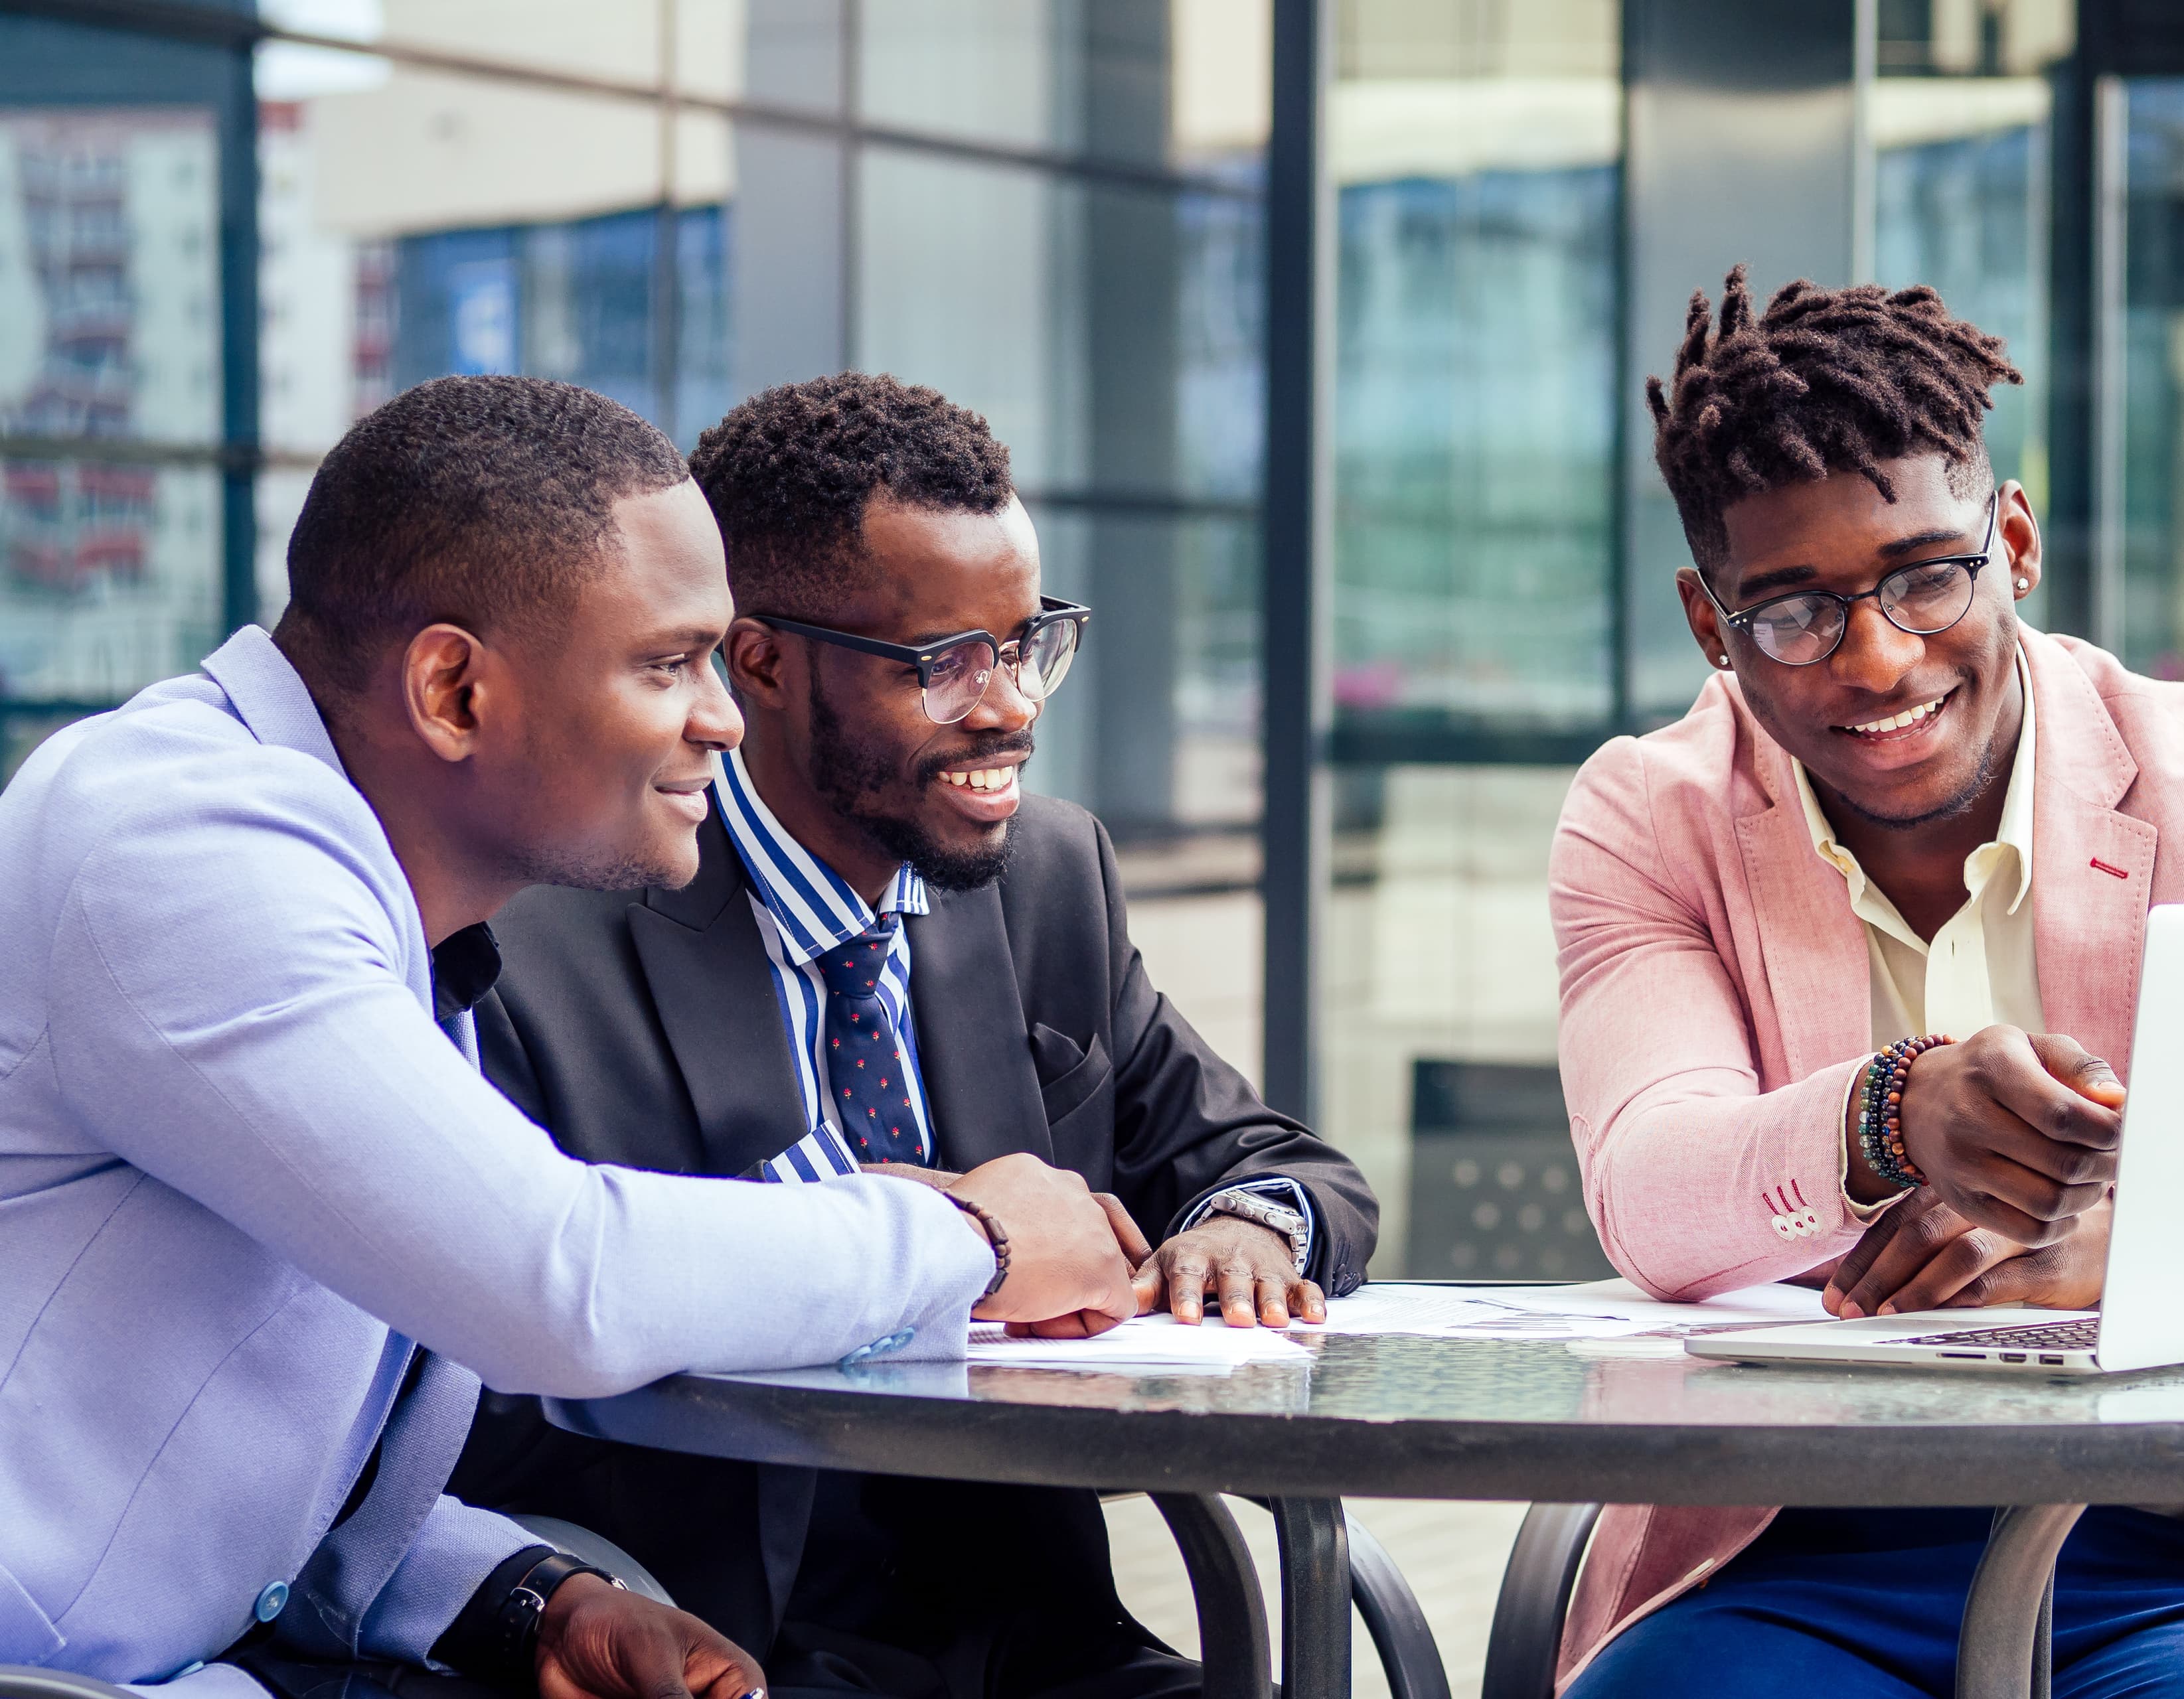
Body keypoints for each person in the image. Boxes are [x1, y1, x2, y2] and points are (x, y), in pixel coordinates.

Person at [0, 375, 1135, 1699]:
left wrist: (525, 1601)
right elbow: (559, 1278)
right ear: (455, 690)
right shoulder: (186, 851)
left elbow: (221, 1449)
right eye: (669, 661)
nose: (722, 713)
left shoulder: (359, 892)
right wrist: (974, 1238)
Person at [1546, 269, 2184, 1698]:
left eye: (1925, 576)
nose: (1881, 659)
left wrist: (2153, 1241)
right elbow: (1651, 1192)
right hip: (1789, 1549)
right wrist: (1893, 1109)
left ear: (2012, 539)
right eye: (1793, 615)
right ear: (1713, 627)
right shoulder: (1653, 813)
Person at [449, 370, 1377, 1699]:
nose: (1009, 705)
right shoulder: (547, 940)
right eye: (945, 661)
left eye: (1026, 640)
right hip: (725, 1648)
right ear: (759, 661)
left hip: (1046, 1647)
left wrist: (1250, 1226)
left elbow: (1283, 1160)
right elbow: (486, 1395)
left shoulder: (1050, 877)